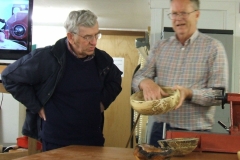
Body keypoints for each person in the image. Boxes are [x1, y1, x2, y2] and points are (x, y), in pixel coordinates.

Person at [1, 10, 123, 151]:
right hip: (56, 140)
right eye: (88, 37)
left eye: (96, 35)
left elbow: (115, 80)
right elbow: (9, 77)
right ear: (71, 37)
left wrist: (102, 103)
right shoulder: (46, 58)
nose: (94, 42)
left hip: (92, 139)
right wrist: (36, 106)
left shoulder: (103, 60)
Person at [131, 0, 229, 147]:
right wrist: (146, 82)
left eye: (184, 13)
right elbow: (138, 77)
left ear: (197, 15)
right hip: (160, 130)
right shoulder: (160, 47)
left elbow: (219, 95)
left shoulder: (214, 48)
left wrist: (189, 93)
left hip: (195, 134)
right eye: (174, 13)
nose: (178, 18)